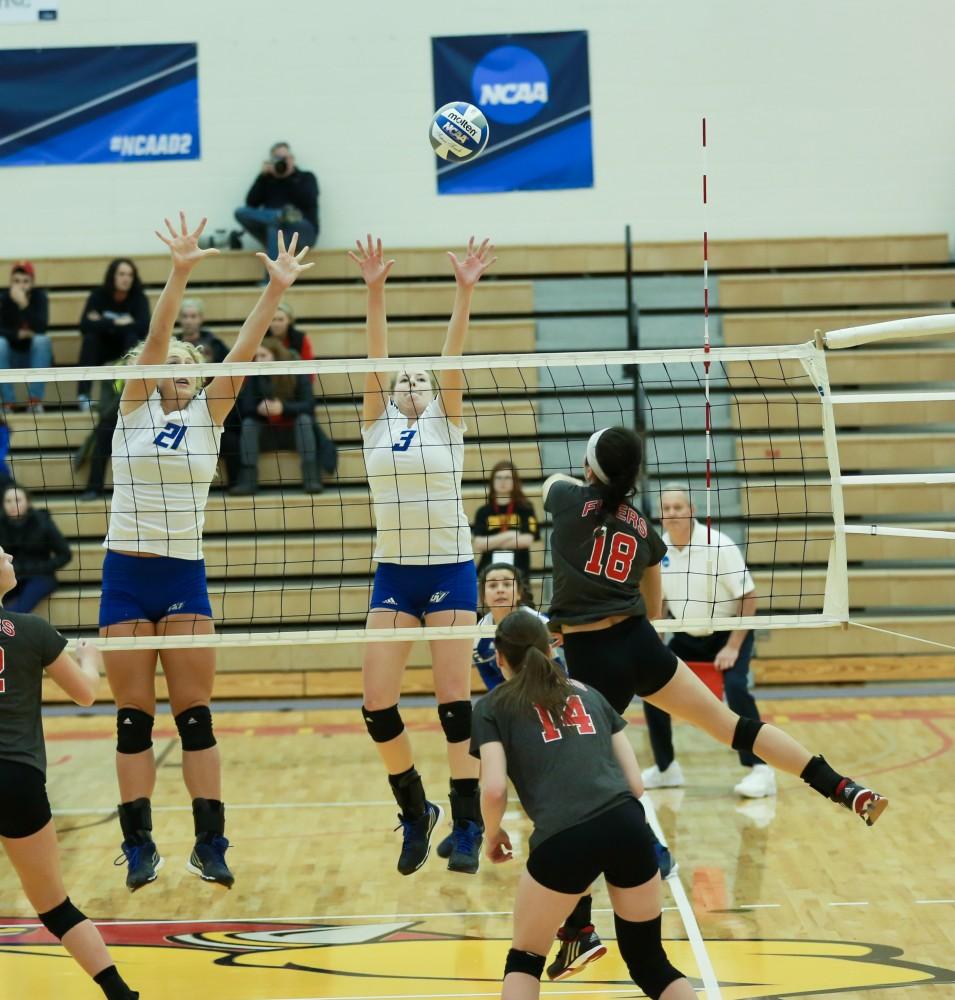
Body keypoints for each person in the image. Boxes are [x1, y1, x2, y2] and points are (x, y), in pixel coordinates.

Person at [539, 425, 889, 975]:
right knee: (732, 726)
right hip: (641, 647)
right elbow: (654, 609)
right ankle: (842, 786)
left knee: (576, 791)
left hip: (591, 661)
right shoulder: (644, 528)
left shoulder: (565, 500)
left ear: (589, 468)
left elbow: (555, 483)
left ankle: (580, 928)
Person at [100, 212, 312, 893]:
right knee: (134, 721)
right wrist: (180, 270)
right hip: (127, 574)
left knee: (195, 719)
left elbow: (246, 351)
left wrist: (274, 288)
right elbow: (159, 340)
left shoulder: (207, 417)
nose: (186, 370)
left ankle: (210, 843)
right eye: (176, 366)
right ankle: (137, 845)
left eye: (193, 366)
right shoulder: (133, 410)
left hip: (183, 577)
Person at [349, 233, 495, 877]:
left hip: (449, 567)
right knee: (376, 702)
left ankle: (466, 826)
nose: (410, 380)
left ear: (432, 391)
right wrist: (374, 289)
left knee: (454, 704)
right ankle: (415, 809)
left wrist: (464, 290)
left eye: (420, 377)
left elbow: (453, 355)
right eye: (400, 377)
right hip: (394, 572)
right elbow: (376, 357)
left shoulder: (445, 420)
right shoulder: (375, 422)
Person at [471, 611, 695, 1000]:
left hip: (564, 837)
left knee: (524, 959)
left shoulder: (492, 707)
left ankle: (579, 931)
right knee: (649, 962)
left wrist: (492, 834)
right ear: (550, 647)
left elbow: (492, 790)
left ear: (500, 658)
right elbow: (636, 785)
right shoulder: (589, 693)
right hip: (627, 824)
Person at [0, 546, 140, 999]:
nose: (9, 555)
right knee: (54, 906)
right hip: (17, 780)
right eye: (1, 555)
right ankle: (120, 994)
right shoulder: (33, 630)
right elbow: (85, 695)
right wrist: (91, 658)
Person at [643, 484, 774, 798]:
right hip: (688, 635)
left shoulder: (718, 545)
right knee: (650, 685)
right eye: (667, 508)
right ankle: (665, 768)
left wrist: (732, 646)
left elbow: (748, 597)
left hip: (729, 631)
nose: (672, 513)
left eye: (678, 507)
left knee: (738, 687)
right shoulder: (659, 551)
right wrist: (655, 642)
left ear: (692, 511)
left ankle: (760, 768)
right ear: (660, 515)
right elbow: (660, 604)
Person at [230, 336, 323, 494]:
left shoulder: (296, 371)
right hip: (267, 435)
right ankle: (248, 480)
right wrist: (259, 409)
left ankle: (311, 478)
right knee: (249, 423)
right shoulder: (254, 374)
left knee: (304, 420)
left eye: (263, 355)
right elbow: (244, 406)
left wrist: (283, 408)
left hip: (293, 435)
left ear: (276, 356)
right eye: (256, 356)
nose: (258, 360)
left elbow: (309, 405)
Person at [77, 259, 150, 410]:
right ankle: (83, 396)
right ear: (113, 277)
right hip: (102, 347)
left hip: (126, 348)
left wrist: (102, 322)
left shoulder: (139, 298)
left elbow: (143, 328)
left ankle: (129, 393)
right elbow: (85, 326)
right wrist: (117, 323)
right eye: (122, 274)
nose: (126, 278)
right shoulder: (98, 296)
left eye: (130, 275)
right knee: (90, 340)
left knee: (132, 338)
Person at [234, 142, 319, 259]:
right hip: (275, 232)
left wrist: (289, 176)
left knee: (275, 227)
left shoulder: (306, 177)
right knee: (241, 212)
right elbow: (251, 203)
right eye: (278, 159)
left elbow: (308, 199)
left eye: (285, 158)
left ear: (292, 159)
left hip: (302, 230)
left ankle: (280, 217)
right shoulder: (267, 180)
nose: (282, 162)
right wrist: (262, 177)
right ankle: (279, 216)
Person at [0, 485, 71, 613]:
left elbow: (65, 554)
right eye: (8, 501)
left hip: (40, 576)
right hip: (10, 574)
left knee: (18, 609)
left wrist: (43, 567)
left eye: (17, 500)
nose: (12, 505)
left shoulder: (42, 521)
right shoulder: (1, 523)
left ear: (27, 501)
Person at [472, 461, 540, 578]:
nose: (503, 481)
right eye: (498, 478)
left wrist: (491, 542)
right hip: (488, 568)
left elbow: (527, 540)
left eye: (507, 477)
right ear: (492, 481)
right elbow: (479, 544)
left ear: (515, 481)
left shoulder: (525, 508)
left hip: (518, 567)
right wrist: (510, 534)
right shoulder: (483, 511)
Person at [0, 261, 53, 413]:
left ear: (32, 283)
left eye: (25, 281)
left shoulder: (39, 297)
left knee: (42, 341)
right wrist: (17, 334)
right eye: (16, 281)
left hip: (34, 355)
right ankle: (7, 401)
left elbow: (41, 328)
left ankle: (34, 401)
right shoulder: (4, 299)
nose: (21, 285)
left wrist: (23, 304)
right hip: (10, 356)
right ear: (11, 283)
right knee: (0, 343)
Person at [177, 298, 228, 363]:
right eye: (185, 316)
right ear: (179, 318)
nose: (188, 321)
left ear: (201, 318)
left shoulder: (214, 344)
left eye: (193, 316)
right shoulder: (174, 345)